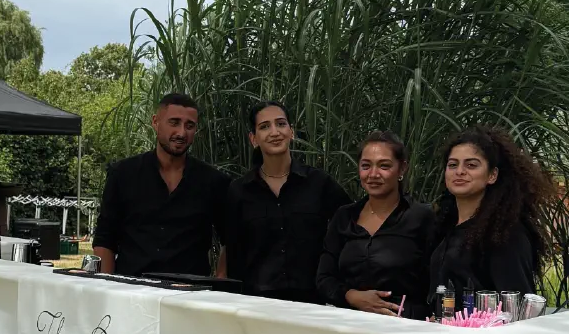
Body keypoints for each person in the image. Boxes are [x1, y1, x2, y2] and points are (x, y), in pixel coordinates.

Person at [92, 92, 230, 277]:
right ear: (155, 122)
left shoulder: (214, 181)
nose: (181, 133)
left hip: (191, 294)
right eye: (174, 123)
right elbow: (105, 238)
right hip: (132, 288)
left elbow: (230, 239)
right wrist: (106, 287)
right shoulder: (123, 174)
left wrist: (220, 285)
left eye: (190, 125)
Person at [225, 100, 350, 302]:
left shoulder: (319, 183)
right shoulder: (239, 190)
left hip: (311, 303)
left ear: (291, 132)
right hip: (256, 303)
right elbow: (232, 250)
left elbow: (350, 226)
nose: (274, 132)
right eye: (264, 127)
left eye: (281, 124)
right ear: (253, 138)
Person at [428, 126, 550, 310]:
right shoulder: (445, 225)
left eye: (471, 165)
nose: (459, 171)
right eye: (453, 164)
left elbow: (515, 306)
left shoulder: (504, 233)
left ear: (492, 175)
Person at [316, 131, 435, 318]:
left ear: (402, 169)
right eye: (365, 166)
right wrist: (351, 296)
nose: (373, 174)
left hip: (406, 327)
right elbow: (324, 278)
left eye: (384, 166)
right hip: (348, 324)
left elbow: (435, 282)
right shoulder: (344, 216)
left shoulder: (421, 217)